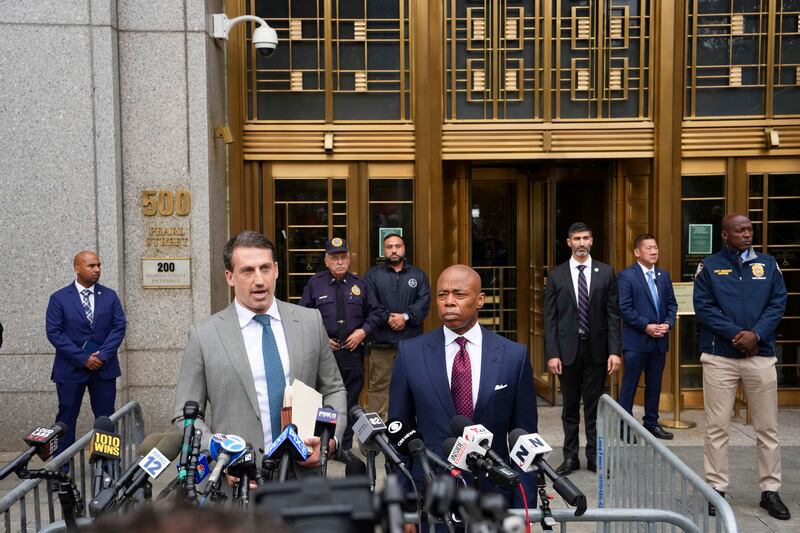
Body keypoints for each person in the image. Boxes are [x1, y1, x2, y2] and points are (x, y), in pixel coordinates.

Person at [173, 231, 347, 470]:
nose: (259, 280)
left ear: (276, 270)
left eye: (265, 268)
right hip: (237, 487)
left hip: (303, 480)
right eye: (247, 271)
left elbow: (334, 389)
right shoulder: (204, 335)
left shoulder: (309, 322)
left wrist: (329, 439)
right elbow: (185, 417)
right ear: (229, 277)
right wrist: (220, 456)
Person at [389, 264, 538, 503]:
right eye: (442, 294)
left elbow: (526, 441)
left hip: (494, 494)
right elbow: (399, 435)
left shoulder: (513, 357)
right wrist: (401, 504)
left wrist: (524, 509)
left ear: (480, 300)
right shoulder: (410, 354)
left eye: (459, 294)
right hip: (431, 494)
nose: (448, 301)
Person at [694, 214, 790, 520]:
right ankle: (716, 489)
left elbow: (778, 303)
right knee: (717, 428)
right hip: (720, 356)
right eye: (740, 230)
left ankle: (770, 491)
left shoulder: (768, 264)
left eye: (749, 229)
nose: (747, 234)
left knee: (767, 428)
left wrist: (756, 335)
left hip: (760, 356)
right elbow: (704, 307)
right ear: (725, 235)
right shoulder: (708, 267)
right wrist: (736, 335)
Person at [544, 222, 621, 476]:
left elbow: (612, 315)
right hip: (567, 351)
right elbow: (550, 318)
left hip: (597, 350)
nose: (581, 243)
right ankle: (570, 458)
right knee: (569, 408)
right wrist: (552, 353)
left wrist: (614, 351)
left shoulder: (606, 272)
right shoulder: (556, 275)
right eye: (576, 238)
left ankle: (594, 457)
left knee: (593, 406)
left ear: (592, 240)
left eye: (586, 238)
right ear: (568, 242)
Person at [299, 238, 381, 464]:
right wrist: (322, 339)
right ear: (326, 260)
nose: (340, 261)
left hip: (352, 352)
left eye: (344, 257)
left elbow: (376, 313)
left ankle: (343, 447)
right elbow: (302, 316)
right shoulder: (315, 284)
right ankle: (320, 444)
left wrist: (362, 332)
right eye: (335, 257)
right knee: (323, 400)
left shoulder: (360, 284)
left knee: (349, 400)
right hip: (324, 353)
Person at [46, 251, 126, 455]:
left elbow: (119, 327)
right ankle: (61, 467)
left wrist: (101, 356)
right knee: (66, 418)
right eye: (91, 266)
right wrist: (83, 358)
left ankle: (108, 467)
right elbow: (54, 333)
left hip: (103, 368)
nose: (97, 269)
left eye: (98, 265)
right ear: (77, 268)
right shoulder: (59, 298)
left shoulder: (109, 295)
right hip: (70, 370)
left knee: (106, 419)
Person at [617, 234, 678, 440]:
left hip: (660, 341)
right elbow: (624, 308)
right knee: (630, 385)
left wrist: (668, 324)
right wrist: (646, 326)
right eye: (649, 248)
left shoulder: (663, 275)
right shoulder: (627, 276)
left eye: (656, 248)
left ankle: (651, 423)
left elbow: (672, 304)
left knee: (655, 384)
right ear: (637, 252)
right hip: (636, 342)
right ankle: (624, 426)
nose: (654, 252)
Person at [365, 233, 430, 420]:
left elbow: (424, 302)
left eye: (398, 246)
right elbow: (370, 302)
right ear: (383, 250)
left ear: (404, 248)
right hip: (381, 343)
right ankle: (375, 439)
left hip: (412, 344)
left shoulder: (418, 275)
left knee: (415, 385)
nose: (394, 250)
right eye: (389, 246)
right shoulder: (373, 275)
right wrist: (389, 318)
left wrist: (406, 317)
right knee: (378, 387)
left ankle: (412, 429)